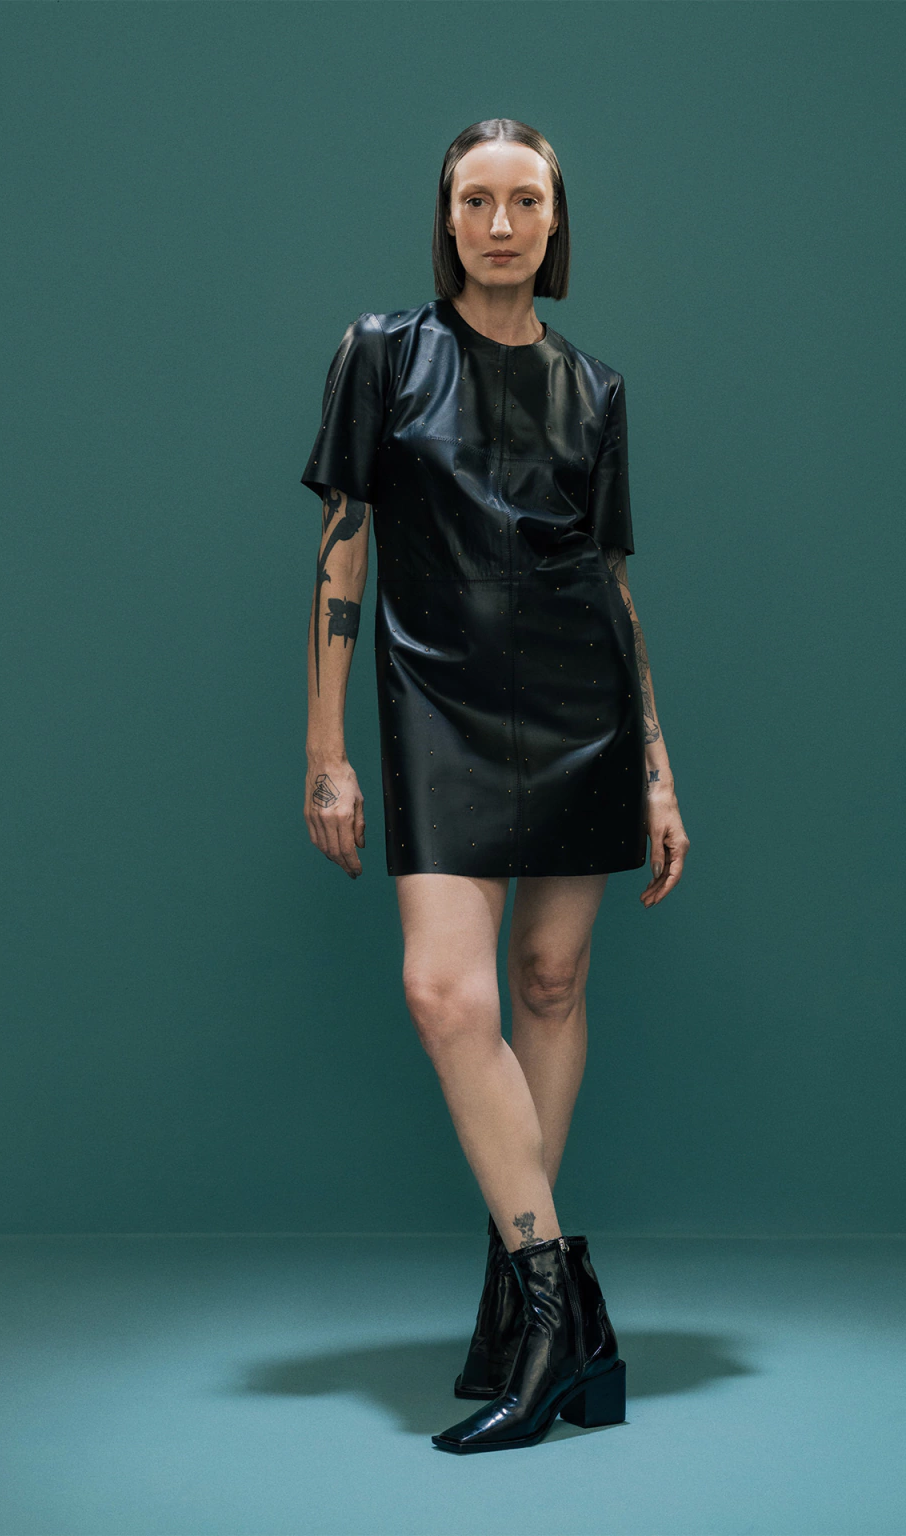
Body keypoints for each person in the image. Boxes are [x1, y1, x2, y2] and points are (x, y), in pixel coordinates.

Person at [299, 118, 690, 1453]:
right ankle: (560, 1313)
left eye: (526, 200)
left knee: (549, 984)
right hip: (436, 706)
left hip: (581, 706)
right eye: (478, 200)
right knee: (445, 992)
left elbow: (613, 585)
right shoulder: (382, 353)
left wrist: (657, 768)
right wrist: (327, 750)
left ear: (556, 219)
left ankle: (519, 1312)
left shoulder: (599, 390)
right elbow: (344, 545)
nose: (502, 224)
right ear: (448, 217)